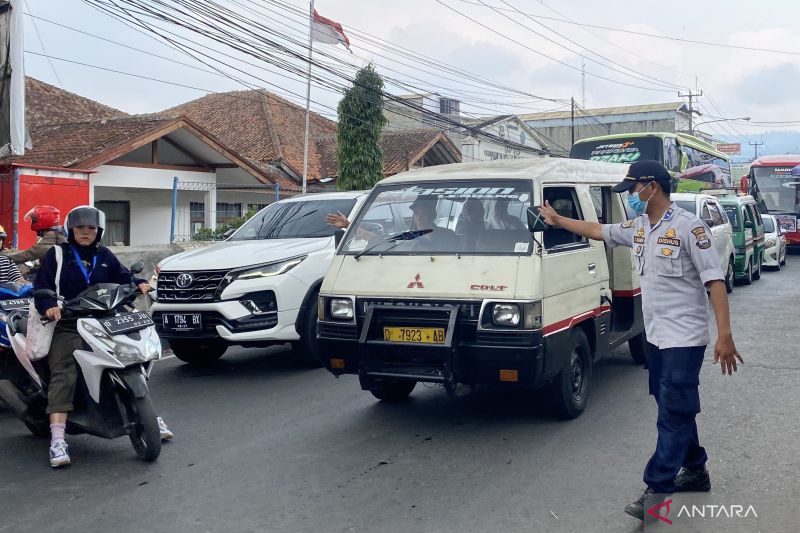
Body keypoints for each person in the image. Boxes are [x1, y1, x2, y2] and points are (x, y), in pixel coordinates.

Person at [537, 160, 743, 522]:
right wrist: (558, 221)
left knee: (673, 410)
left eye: (633, 189)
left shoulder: (689, 228)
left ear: (651, 186)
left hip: (685, 337)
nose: (631, 196)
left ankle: (657, 490)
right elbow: (599, 230)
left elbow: (715, 282)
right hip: (657, 336)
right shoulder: (639, 227)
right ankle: (695, 468)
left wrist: (724, 335)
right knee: (671, 406)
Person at [34, 206, 172, 468]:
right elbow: (42, 286)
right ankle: (58, 439)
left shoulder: (105, 255)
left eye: (91, 228)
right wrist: (49, 305)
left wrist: (139, 282)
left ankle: (149, 415)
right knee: (64, 372)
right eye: (80, 228)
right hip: (70, 324)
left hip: (106, 319)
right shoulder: (57, 254)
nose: (85, 232)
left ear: (99, 231)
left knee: (134, 357)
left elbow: (123, 277)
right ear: (71, 230)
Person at [3, 206, 68, 278]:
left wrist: (5, 259)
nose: (33, 221)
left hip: (55, 275)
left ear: (44, 219)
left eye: (34, 219)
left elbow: (33, 253)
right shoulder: (57, 232)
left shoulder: (52, 235)